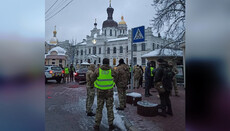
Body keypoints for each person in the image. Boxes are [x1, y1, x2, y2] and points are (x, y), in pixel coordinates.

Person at [91, 58, 117, 130]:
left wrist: (96, 83)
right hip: (109, 92)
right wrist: (113, 83)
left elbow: (92, 78)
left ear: (102, 62)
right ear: (108, 63)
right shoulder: (112, 70)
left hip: (100, 92)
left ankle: (97, 125)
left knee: (99, 108)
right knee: (110, 108)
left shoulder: (98, 70)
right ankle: (111, 124)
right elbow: (116, 76)